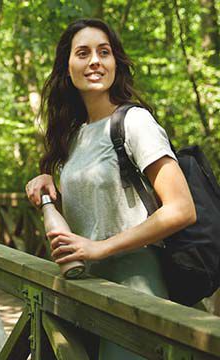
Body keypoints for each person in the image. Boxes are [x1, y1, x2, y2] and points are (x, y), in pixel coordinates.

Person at [24, 18, 196, 359]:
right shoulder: (73, 136)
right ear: (67, 66)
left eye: (104, 52)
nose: (95, 61)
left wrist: (99, 249)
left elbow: (181, 208)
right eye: (83, 53)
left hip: (135, 286)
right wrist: (48, 182)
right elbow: (93, 201)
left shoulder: (135, 122)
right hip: (82, 287)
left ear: (116, 62)